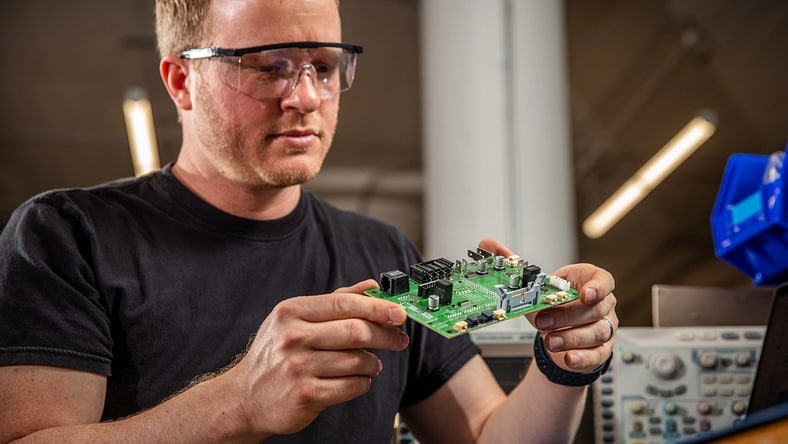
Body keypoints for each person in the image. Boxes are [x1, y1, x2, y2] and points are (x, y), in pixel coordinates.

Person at [0, 0, 618, 442]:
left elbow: (487, 434)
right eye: (267, 65)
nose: (305, 97)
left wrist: (565, 363)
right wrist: (239, 401)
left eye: (323, 66)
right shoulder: (67, 235)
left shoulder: (383, 252)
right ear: (182, 80)